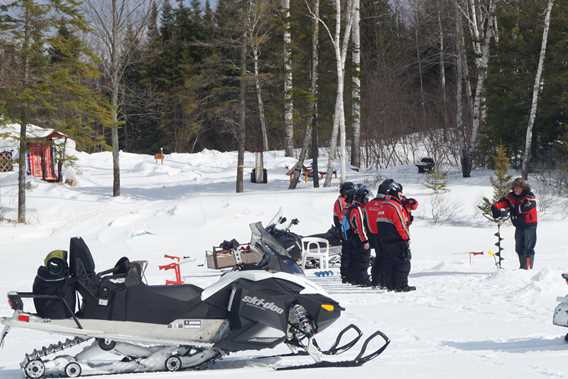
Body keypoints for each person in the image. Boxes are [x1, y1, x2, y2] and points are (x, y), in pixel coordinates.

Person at [370, 179, 418, 292]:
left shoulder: (383, 205)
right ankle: (401, 285)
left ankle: (390, 284)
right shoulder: (394, 206)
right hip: (397, 240)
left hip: (384, 239)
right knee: (403, 263)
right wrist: (406, 239)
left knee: (389, 263)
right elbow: (400, 224)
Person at [491, 177, 537, 269]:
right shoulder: (510, 197)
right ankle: (523, 267)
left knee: (528, 247)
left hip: (529, 226)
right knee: (519, 247)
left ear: (523, 188)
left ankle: (528, 268)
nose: (517, 189)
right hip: (519, 226)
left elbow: (525, 207)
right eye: (515, 187)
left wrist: (510, 209)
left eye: (519, 188)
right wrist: (495, 208)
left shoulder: (529, 196)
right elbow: (502, 203)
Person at [347, 185, 371, 286]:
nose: (367, 201)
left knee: (355, 258)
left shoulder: (352, 207)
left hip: (352, 237)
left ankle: (355, 278)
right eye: (366, 199)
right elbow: (361, 227)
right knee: (363, 259)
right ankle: (362, 279)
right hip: (358, 238)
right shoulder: (358, 210)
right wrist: (365, 241)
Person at [334, 182, 355, 283]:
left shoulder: (347, 200)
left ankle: (350, 273)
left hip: (348, 228)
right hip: (344, 228)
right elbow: (342, 216)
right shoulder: (341, 201)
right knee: (347, 252)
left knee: (351, 252)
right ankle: (345, 274)